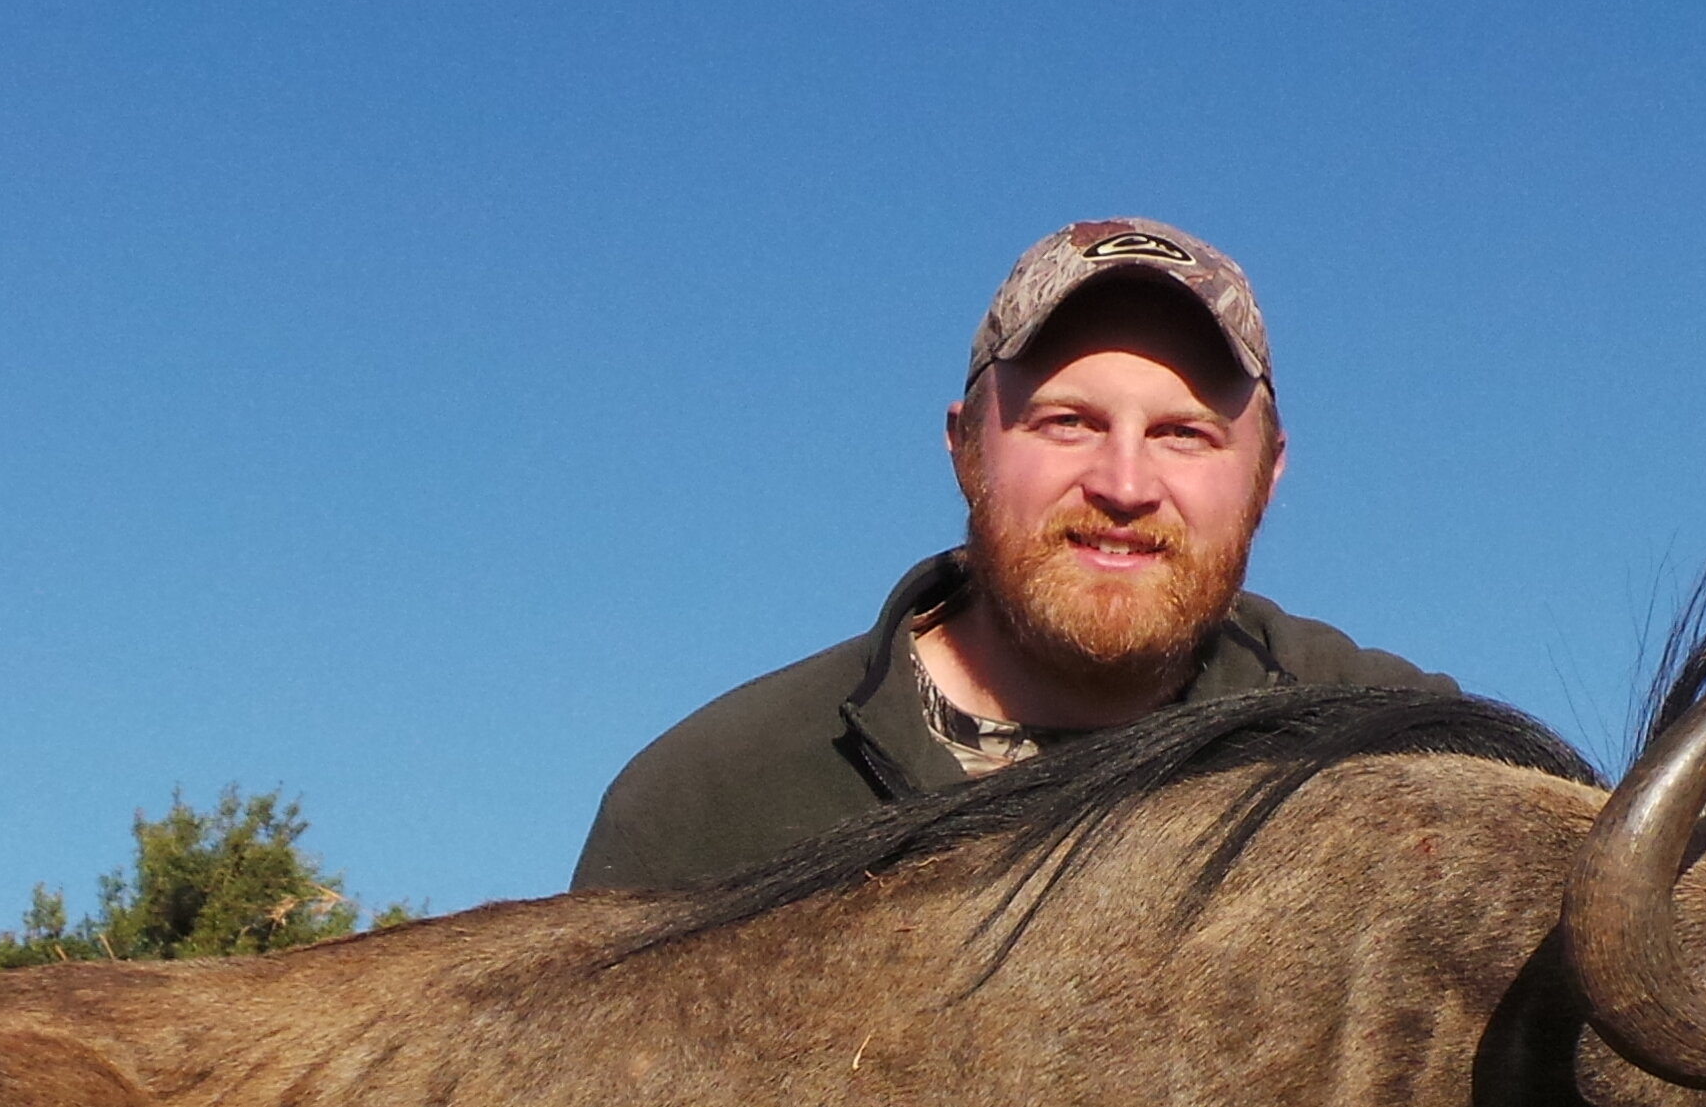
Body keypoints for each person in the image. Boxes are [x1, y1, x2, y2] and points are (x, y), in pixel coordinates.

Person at [573, 219, 1447, 891]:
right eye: (1068, 422)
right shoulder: (713, 807)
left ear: (1268, 473)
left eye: (1185, 435)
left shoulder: (1401, 754)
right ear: (964, 448)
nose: (1125, 483)